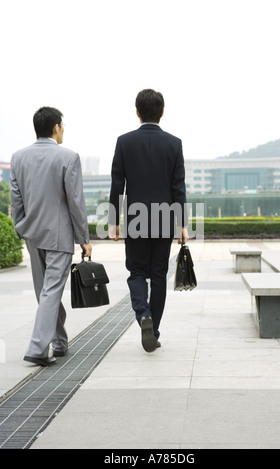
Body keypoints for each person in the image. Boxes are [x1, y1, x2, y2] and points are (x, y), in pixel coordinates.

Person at [10, 107, 92, 367]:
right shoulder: (69, 157)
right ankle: (37, 348)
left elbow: (16, 198)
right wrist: (84, 238)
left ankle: (59, 342)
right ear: (56, 126)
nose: (64, 129)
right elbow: (75, 202)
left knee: (44, 292)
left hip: (32, 235)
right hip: (59, 236)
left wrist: (21, 226)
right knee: (50, 292)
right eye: (63, 125)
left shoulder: (18, 157)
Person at [109, 89, 188, 353]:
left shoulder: (124, 142)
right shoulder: (174, 143)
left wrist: (113, 221)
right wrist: (183, 225)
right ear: (162, 112)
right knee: (158, 275)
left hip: (135, 218)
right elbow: (178, 187)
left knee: (137, 272)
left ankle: (143, 314)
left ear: (137, 111)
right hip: (165, 218)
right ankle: (152, 330)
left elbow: (117, 184)